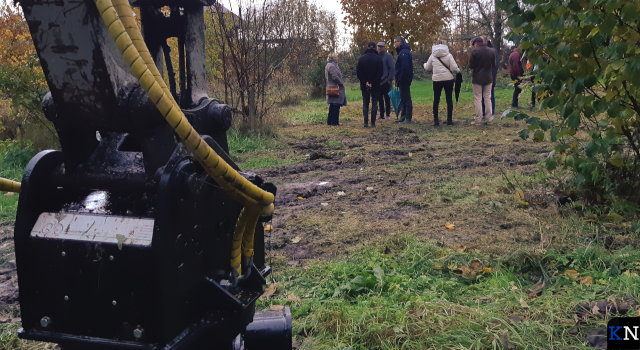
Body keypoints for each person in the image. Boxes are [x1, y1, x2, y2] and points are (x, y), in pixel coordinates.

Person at [423, 40, 459, 126]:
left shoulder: (432, 56)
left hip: (437, 80)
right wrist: (458, 70)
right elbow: (454, 68)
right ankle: (449, 120)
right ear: (445, 46)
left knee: (436, 99)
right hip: (448, 79)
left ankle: (436, 121)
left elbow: (427, 68)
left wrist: (424, 65)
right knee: (449, 99)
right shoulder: (449, 55)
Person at [468, 37, 495, 125]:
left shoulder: (474, 51)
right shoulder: (491, 51)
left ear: (476, 43)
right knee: (488, 98)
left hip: (477, 78)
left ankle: (478, 119)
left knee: (478, 98)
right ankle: (489, 119)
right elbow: (493, 65)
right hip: (488, 78)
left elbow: (471, 65)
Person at [356, 42, 383, 127]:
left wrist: (365, 82)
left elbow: (359, 73)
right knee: (374, 103)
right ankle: (373, 123)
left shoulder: (362, 58)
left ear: (367, 47)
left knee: (365, 103)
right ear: (375, 48)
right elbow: (380, 73)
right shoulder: (378, 58)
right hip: (375, 85)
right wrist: (372, 82)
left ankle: (365, 122)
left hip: (364, 85)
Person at [393, 36, 414, 124]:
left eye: (395, 42)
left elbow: (404, 67)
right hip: (403, 78)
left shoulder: (404, 53)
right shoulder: (403, 52)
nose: (394, 44)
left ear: (400, 42)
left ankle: (408, 118)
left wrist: (400, 78)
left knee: (406, 98)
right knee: (403, 98)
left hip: (404, 79)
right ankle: (403, 117)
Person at [325, 52, 346, 126]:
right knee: (336, 105)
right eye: (336, 57)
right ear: (332, 58)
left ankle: (330, 122)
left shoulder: (330, 65)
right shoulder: (332, 66)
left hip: (331, 87)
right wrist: (341, 83)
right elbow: (334, 77)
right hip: (334, 87)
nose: (337, 58)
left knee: (332, 105)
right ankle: (334, 122)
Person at [481, 38, 500, 118]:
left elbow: (495, 66)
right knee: (483, 95)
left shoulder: (493, 51)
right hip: (483, 77)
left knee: (490, 95)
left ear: (486, 41)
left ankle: (491, 113)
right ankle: (484, 112)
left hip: (490, 77)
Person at [377, 42, 395, 121]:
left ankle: (388, 114)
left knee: (387, 98)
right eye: (378, 46)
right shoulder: (377, 56)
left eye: (381, 47)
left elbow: (392, 68)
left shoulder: (388, 56)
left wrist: (389, 80)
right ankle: (381, 114)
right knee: (379, 98)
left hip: (386, 81)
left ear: (384, 47)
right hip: (378, 81)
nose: (379, 48)